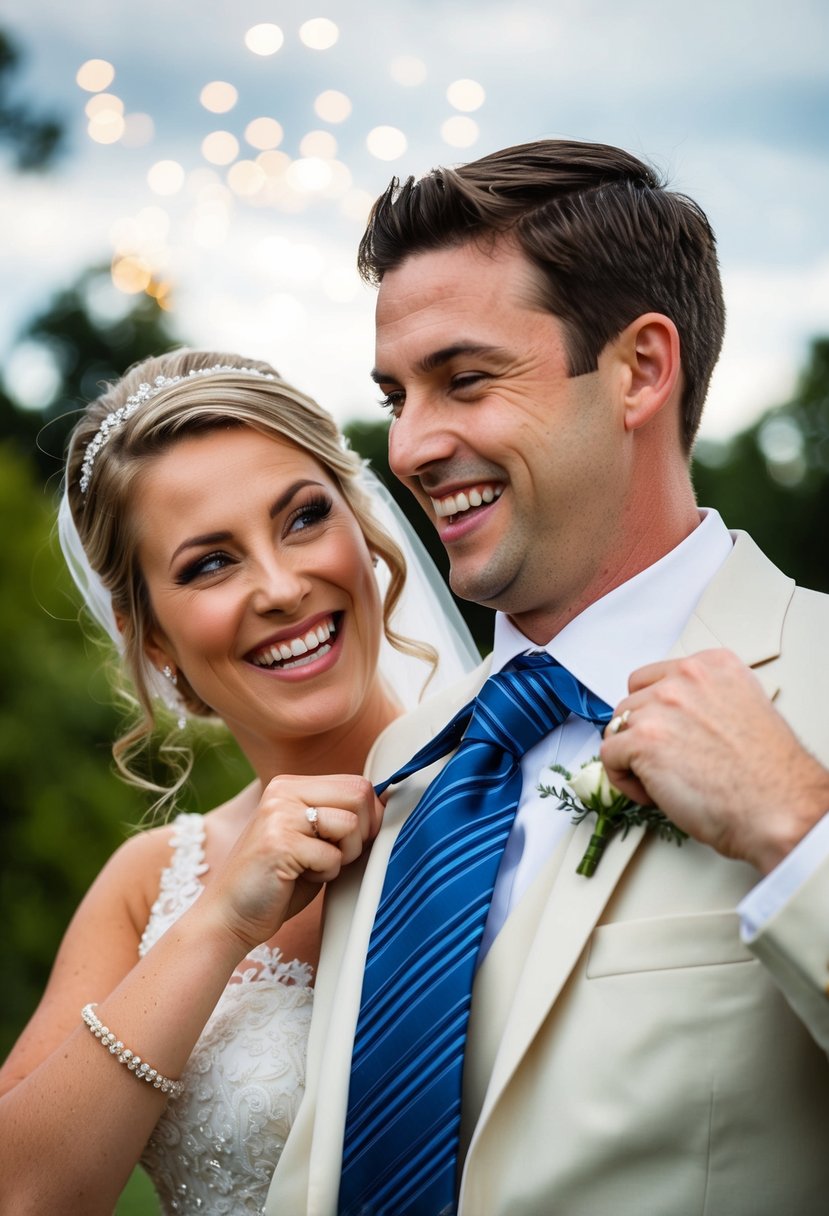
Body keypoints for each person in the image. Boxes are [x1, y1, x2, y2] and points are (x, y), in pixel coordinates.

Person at [269, 140, 829, 1215]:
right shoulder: (409, 764)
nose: (411, 446)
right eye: (396, 396)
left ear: (640, 368)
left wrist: (793, 823)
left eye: (465, 380)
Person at [0, 349, 477, 1215]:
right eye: (209, 564)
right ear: (148, 637)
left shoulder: (509, 789)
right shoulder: (151, 885)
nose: (283, 585)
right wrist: (219, 922)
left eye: (301, 519)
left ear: (361, 524)